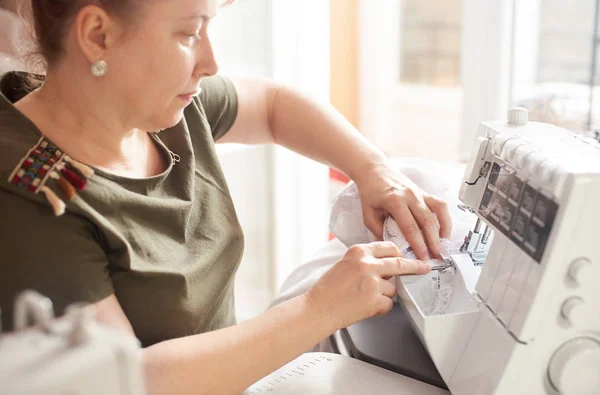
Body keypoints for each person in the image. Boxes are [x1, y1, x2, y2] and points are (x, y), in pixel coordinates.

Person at [0, 0, 452, 394]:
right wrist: (318, 310)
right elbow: (131, 382)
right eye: (190, 32)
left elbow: (273, 106)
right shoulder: (31, 199)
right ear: (97, 35)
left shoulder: (154, 108)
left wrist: (375, 170)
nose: (211, 62)